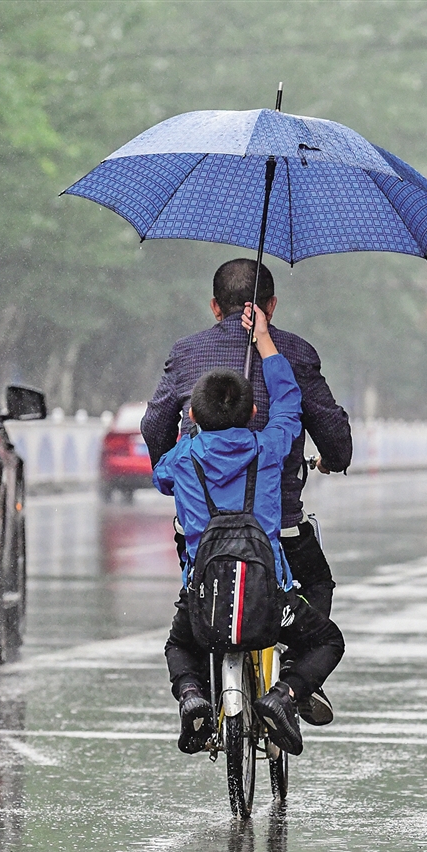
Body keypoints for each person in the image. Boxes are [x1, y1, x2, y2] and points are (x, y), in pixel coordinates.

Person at [142, 258, 352, 725]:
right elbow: (319, 425)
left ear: (214, 306)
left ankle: (193, 693)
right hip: (280, 528)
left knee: (186, 624)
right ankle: (295, 681)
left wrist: (178, 468)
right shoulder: (292, 362)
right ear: (271, 305)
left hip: (204, 548)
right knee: (316, 582)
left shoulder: (186, 354)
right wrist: (333, 459)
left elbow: (154, 424)